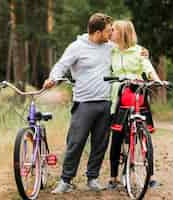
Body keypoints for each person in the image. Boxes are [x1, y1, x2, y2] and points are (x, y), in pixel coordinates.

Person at [43, 13, 113, 193]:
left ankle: (92, 178)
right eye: (107, 31)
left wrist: (144, 52)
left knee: (100, 143)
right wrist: (53, 78)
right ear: (97, 32)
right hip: (84, 103)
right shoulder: (77, 47)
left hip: (104, 102)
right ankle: (65, 181)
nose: (111, 34)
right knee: (75, 143)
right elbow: (61, 66)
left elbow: (129, 51)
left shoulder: (110, 47)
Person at [107, 20, 161, 189]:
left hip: (136, 94)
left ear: (123, 33)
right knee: (116, 139)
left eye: (113, 30)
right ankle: (113, 177)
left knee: (140, 134)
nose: (110, 32)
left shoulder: (139, 52)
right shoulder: (110, 50)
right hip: (118, 96)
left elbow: (147, 67)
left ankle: (148, 174)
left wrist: (157, 80)